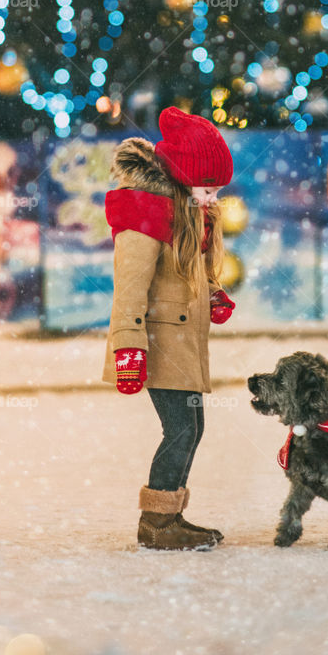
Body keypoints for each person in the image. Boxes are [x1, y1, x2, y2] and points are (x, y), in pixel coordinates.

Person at [102, 107, 236, 550]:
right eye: (208, 187)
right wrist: (128, 349)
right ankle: (157, 524)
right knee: (181, 428)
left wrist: (210, 292)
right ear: (183, 175)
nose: (213, 197)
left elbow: (183, 273)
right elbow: (129, 290)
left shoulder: (188, 212)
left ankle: (170, 515)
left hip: (180, 342)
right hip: (156, 343)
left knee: (190, 427)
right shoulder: (144, 214)